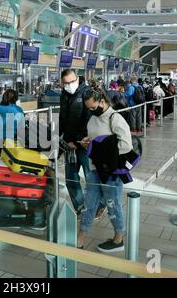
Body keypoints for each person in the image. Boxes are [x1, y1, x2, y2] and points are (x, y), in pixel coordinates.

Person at [77, 89, 133, 252]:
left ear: (102, 101)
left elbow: (126, 146)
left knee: (112, 204)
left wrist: (98, 148)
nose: (91, 111)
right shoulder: (93, 119)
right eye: (89, 108)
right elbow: (95, 137)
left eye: (93, 107)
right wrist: (88, 142)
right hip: (95, 168)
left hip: (111, 172)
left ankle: (119, 238)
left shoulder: (115, 118)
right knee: (89, 203)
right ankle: (81, 237)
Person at [59, 70, 92, 215]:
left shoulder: (87, 93)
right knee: (71, 178)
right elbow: (62, 118)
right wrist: (61, 139)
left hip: (85, 143)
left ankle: (96, 205)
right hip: (69, 144)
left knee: (91, 177)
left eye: (71, 82)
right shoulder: (64, 95)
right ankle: (81, 209)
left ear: (77, 79)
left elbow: (89, 120)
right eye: (65, 83)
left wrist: (77, 140)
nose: (69, 85)